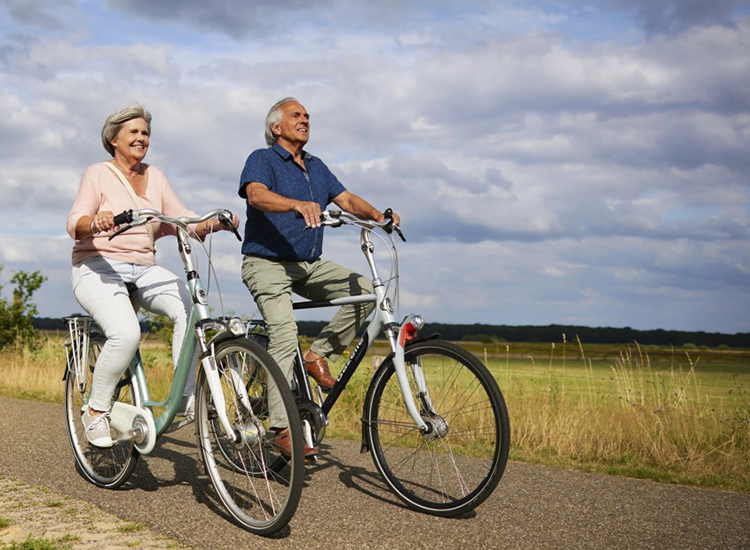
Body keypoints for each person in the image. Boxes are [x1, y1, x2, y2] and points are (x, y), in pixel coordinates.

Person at [67, 103, 237, 448]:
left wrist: (212, 222)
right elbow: (75, 222)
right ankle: (96, 410)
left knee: (190, 310)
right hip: (98, 266)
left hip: (143, 269)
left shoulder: (156, 176)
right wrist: (95, 222)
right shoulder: (97, 174)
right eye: (134, 132)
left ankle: (189, 396)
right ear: (114, 139)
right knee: (126, 335)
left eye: (145, 133)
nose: (142, 138)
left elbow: (181, 216)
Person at [238, 97, 400, 457]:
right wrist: (295, 204)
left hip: (307, 263)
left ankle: (316, 355)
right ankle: (282, 427)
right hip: (265, 263)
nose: (305, 120)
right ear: (276, 127)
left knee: (364, 289)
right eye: (296, 115)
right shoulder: (262, 160)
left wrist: (378, 215)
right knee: (283, 334)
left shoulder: (316, 167)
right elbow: (256, 195)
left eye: (308, 116)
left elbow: (345, 199)